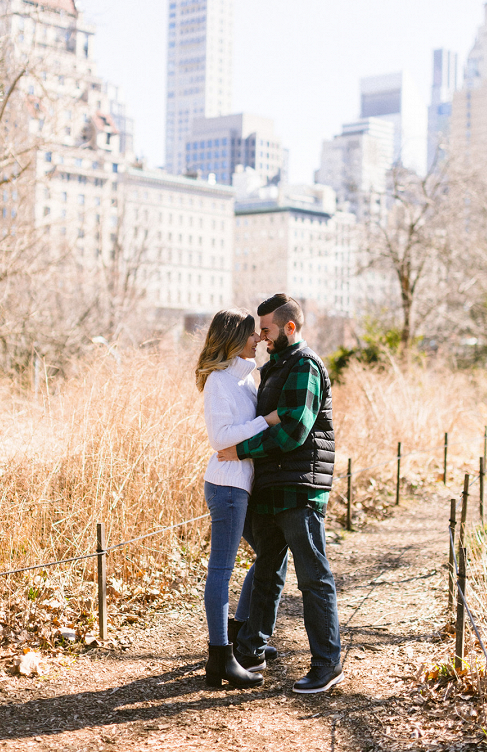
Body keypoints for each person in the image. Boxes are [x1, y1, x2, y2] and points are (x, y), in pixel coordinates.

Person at [217, 293, 343, 694]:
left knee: (313, 576)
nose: (262, 336)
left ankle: (327, 663)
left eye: (267, 330)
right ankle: (251, 648)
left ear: (290, 327)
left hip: (300, 486)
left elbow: (293, 431)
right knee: (268, 571)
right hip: (272, 487)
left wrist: (241, 450)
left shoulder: (304, 365)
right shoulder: (275, 366)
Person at [195, 308, 282, 689]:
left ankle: (243, 636)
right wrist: (268, 421)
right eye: (252, 334)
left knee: (265, 555)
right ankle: (220, 657)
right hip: (227, 487)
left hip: (242, 483)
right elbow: (219, 438)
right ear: (234, 338)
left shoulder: (246, 378)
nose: (259, 339)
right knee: (221, 571)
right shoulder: (218, 382)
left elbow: (239, 436)